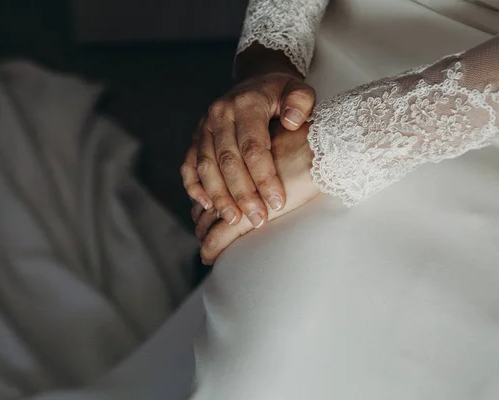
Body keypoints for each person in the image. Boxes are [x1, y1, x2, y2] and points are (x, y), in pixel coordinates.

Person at [183, 0, 499, 398]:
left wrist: (333, 145)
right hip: (359, 27)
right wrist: (269, 66)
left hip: (481, 93)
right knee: (277, 349)